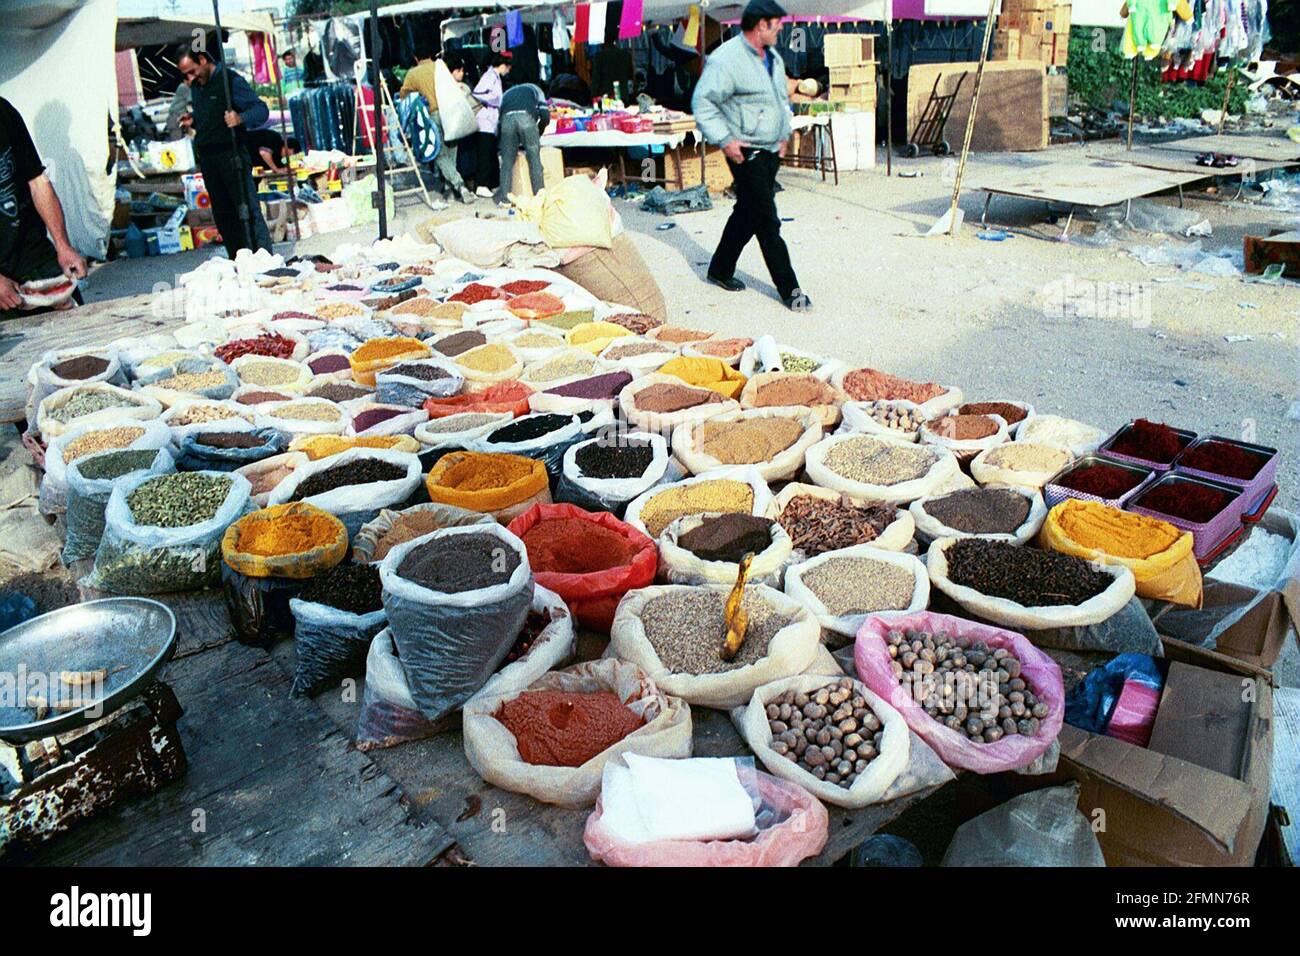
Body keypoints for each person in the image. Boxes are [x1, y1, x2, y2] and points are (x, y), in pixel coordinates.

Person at [692, 0, 810, 312]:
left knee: (749, 211)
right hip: (744, 151)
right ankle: (791, 289)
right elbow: (703, 102)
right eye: (776, 23)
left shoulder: (772, 57)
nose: (782, 28)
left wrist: (784, 133)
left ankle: (719, 269)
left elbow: (780, 99)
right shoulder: (726, 60)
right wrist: (725, 139)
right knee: (768, 220)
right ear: (760, 26)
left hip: (771, 149)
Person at [175, 46, 272, 259]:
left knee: (247, 210)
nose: (190, 79)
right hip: (210, 159)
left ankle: (264, 259)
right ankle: (238, 259)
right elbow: (210, 116)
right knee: (223, 216)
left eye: (192, 72)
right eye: (185, 76)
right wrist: (193, 120)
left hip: (232, 155)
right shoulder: (197, 87)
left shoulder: (230, 81)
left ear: (202, 59)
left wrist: (240, 118)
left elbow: (261, 110)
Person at [0, 97, 87, 317]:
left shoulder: (3, 112)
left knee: (83, 332)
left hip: (34, 255)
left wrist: (63, 245)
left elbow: (37, 181)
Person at [399, 48, 474, 204]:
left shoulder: (413, 74)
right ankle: (450, 191)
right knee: (451, 151)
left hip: (433, 115)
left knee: (438, 154)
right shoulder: (441, 67)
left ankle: (460, 186)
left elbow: (403, 95)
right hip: (451, 112)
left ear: (415, 57)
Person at [495, 82, 550, 205]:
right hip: (526, 118)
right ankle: (539, 197)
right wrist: (538, 133)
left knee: (507, 162)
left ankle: (505, 199)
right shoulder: (536, 89)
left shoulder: (506, 94)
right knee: (534, 158)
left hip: (506, 120)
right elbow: (545, 115)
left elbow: (498, 121)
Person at [471, 52, 511, 199]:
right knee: (485, 154)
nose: (508, 71)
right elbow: (477, 92)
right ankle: (482, 185)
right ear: (502, 66)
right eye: (507, 67)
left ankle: (491, 183)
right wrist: (494, 100)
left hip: (491, 120)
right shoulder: (489, 76)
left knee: (490, 153)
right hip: (485, 120)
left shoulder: (495, 77)